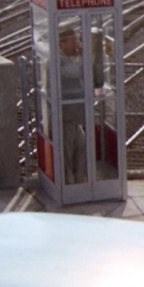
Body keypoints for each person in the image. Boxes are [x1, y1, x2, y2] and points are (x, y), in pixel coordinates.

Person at [59, 28, 87, 184]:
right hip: (66, 115)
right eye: (72, 41)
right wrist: (84, 55)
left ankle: (79, 179)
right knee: (67, 152)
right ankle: (69, 182)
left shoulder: (67, 58)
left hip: (74, 115)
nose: (76, 44)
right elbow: (78, 72)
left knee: (81, 146)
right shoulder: (59, 60)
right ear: (62, 43)